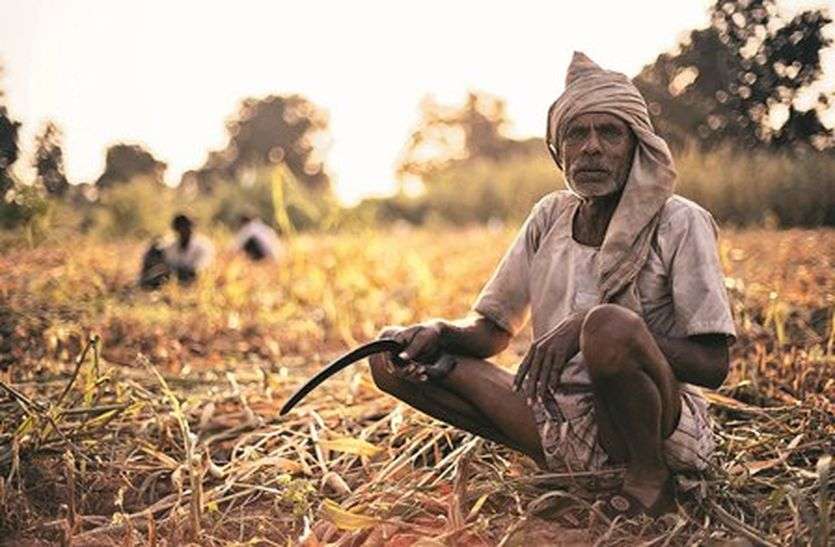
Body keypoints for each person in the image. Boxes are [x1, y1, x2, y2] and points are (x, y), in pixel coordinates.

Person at [368, 52, 736, 519]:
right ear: (558, 150)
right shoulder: (550, 217)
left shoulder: (680, 222)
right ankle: (572, 470)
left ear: (636, 145)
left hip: (654, 427)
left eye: (610, 133)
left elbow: (713, 364)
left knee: (607, 326)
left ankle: (648, 479)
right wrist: (438, 331)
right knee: (390, 363)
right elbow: (491, 330)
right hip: (558, 423)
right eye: (577, 134)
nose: (592, 148)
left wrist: (590, 327)